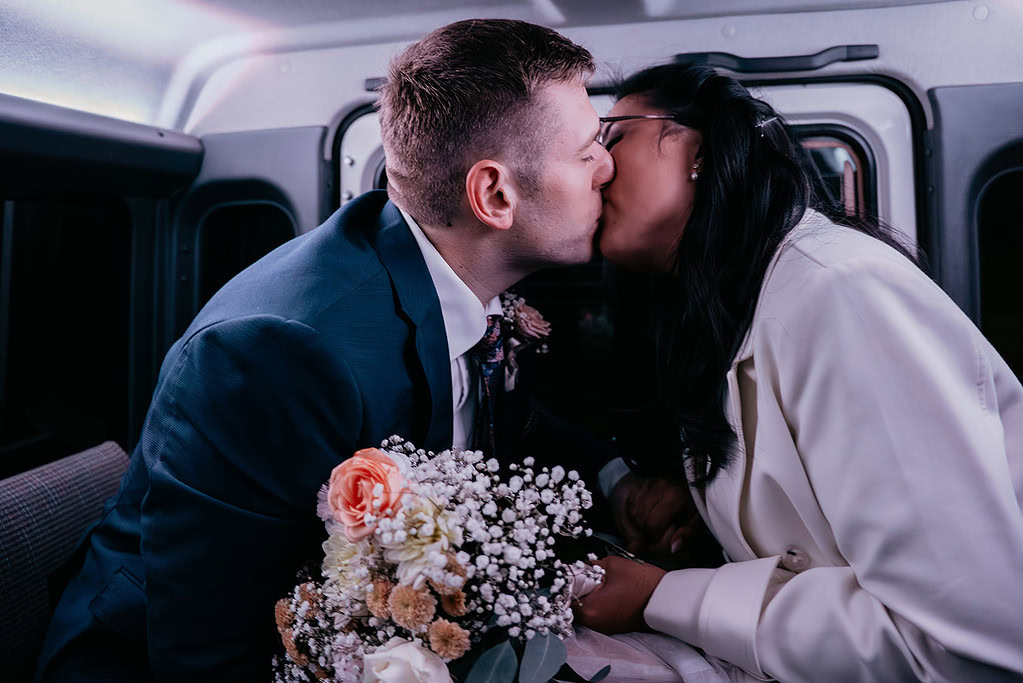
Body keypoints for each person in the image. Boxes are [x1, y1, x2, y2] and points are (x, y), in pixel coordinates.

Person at [36, 19, 613, 682]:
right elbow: (204, 643)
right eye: (587, 148)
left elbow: (515, 425)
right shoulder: (284, 353)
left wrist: (621, 481)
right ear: (494, 194)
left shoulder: (471, 291)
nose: (607, 166)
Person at [576, 62, 1023, 681]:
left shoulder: (840, 291)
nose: (594, 167)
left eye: (612, 136)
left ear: (697, 147)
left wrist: (664, 598)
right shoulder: (737, 310)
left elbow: (962, 642)